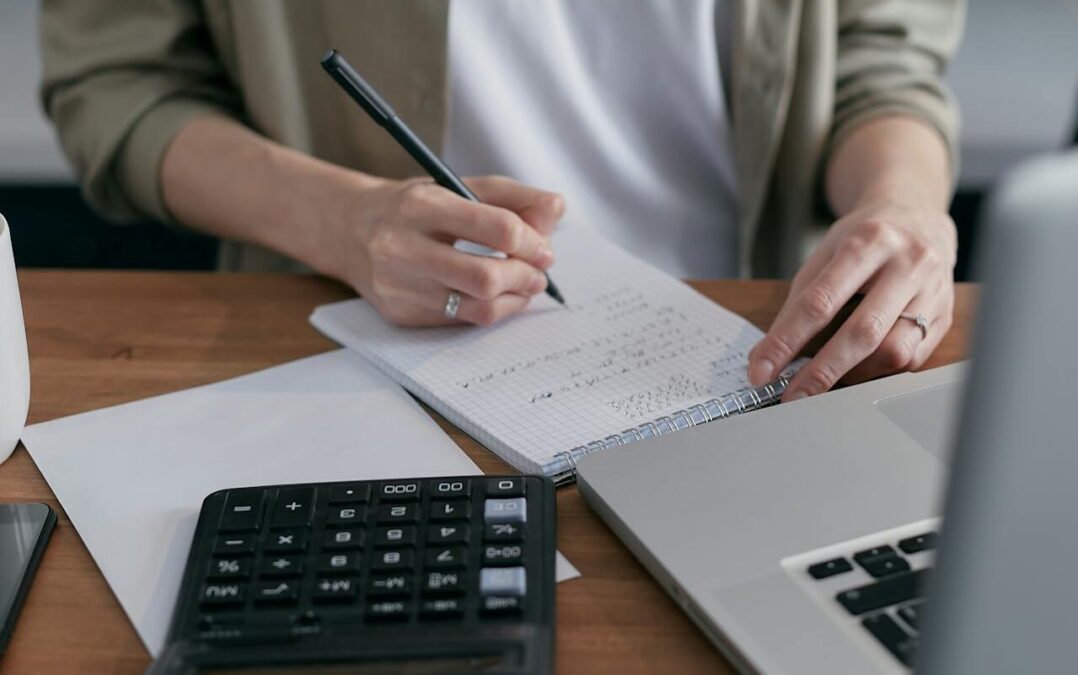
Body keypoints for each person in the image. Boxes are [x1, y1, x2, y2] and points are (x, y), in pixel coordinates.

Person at [39, 0, 963, 400]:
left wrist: (903, 206)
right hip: (349, 345)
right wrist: (346, 219)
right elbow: (117, 86)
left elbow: (880, 65)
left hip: (751, 336)